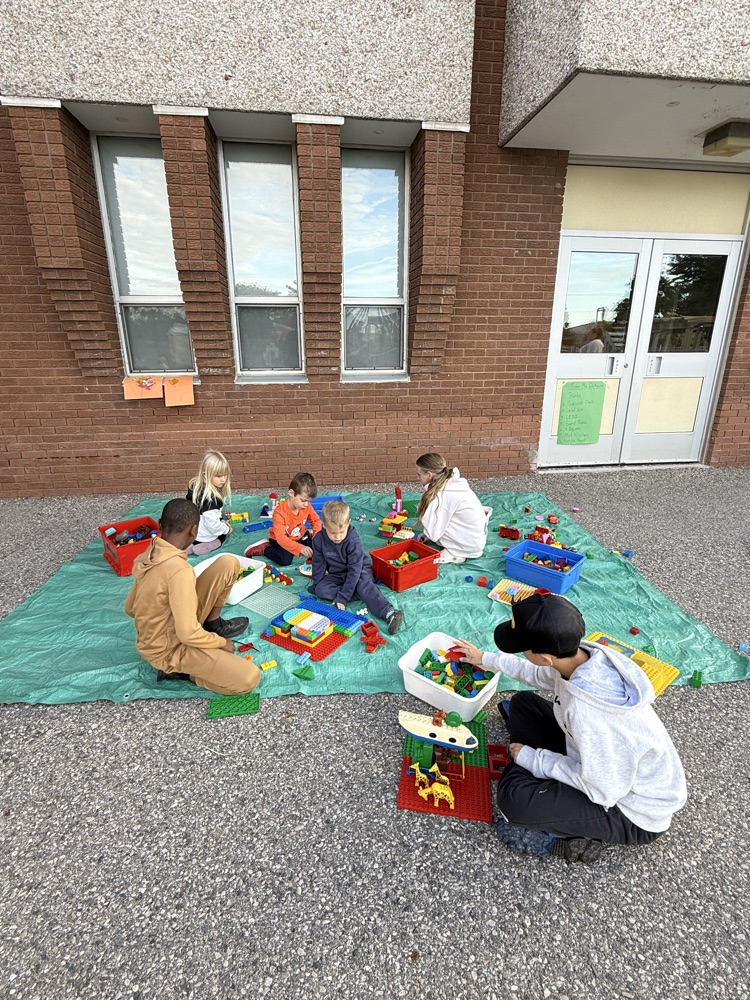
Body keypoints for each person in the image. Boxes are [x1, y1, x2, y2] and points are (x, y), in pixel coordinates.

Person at [454, 592, 687, 864]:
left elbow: (602, 790)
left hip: (629, 810)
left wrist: (532, 758)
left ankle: (561, 839)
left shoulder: (589, 715)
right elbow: (536, 674)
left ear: (544, 657)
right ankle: (539, 777)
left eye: (522, 648)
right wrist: (486, 658)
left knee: (513, 799)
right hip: (598, 760)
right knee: (523, 703)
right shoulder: (583, 655)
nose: (520, 652)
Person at [125, 498, 260, 696]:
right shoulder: (179, 571)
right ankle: (179, 672)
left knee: (228, 563)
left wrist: (165, 610)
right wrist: (221, 643)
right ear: (194, 531)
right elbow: (187, 633)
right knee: (249, 678)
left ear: (160, 524)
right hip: (168, 651)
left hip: (168, 633)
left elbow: (129, 608)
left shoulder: (150, 553)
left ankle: (212, 624)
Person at [310, 500, 404, 634]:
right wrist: (317, 584)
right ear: (324, 525)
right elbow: (318, 563)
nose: (337, 537)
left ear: (348, 523)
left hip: (359, 570)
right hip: (337, 575)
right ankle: (359, 592)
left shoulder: (353, 541)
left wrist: (343, 596)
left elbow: (354, 570)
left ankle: (389, 613)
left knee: (363, 584)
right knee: (321, 590)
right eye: (332, 533)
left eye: (341, 532)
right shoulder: (318, 539)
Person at [415, 452, 489, 564]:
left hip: (468, 546)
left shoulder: (441, 496)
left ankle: (456, 552)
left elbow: (433, 532)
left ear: (429, 475)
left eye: (419, 474)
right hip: (476, 539)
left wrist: (427, 532)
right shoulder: (452, 484)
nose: (417, 477)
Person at [244, 472, 322, 566]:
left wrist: (316, 535)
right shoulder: (279, 512)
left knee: (319, 550)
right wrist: (299, 548)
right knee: (285, 560)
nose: (306, 504)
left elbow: (316, 520)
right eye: (303, 500)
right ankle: (265, 548)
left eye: (309, 501)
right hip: (280, 539)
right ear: (291, 493)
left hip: (300, 535)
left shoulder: (306, 506)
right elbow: (281, 538)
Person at [185, 449, 233, 556]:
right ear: (206, 475)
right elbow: (213, 526)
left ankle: (191, 544)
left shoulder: (195, 487)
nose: (223, 480)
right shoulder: (213, 499)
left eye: (225, 475)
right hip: (206, 535)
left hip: (193, 532)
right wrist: (226, 529)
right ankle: (210, 544)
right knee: (223, 534)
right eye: (219, 476)